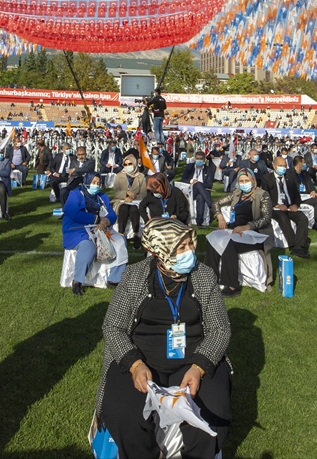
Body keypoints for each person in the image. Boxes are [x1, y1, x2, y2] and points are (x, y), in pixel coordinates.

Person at [97, 219, 231, 459]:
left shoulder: (203, 275)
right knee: (121, 413)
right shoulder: (134, 276)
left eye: (191, 244)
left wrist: (199, 368)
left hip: (193, 361)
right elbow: (113, 326)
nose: (190, 252)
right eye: (182, 247)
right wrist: (135, 365)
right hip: (141, 362)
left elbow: (220, 329)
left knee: (214, 411)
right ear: (160, 249)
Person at [205, 168, 273, 298]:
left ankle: (232, 285)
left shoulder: (262, 195)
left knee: (229, 243)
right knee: (212, 238)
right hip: (234, 230)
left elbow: (266, 218)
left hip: (254, 233)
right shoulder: (237, 193)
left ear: (252, 180)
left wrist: (247, 226)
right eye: (241, 180)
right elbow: (216, 204)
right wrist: (219, 217)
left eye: (246, 180)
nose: (244, 183)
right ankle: (210, 279)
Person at [62, 175, 122, 295]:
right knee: (88, 246)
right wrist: (97, 219)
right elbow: (73, 212)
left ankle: (114, 278)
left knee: (120, 241)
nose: (96, 185)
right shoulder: (75, 194)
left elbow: (112, 215)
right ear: (86, 182)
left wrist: (106, 221)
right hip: (77, 229)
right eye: (93, 182)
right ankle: (77, 281)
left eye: (98, 183)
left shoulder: (102, 196)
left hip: (100, 229)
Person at [266, 157, 310, 259]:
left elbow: (297, 196)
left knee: (303, 218)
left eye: (284, 166)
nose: (283, 168)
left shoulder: (289, 178)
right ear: (274, 166)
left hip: (289, 207)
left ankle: (300, 246)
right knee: (283, 218)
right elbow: (265, 196)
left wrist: (295, 204)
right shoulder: (267, 179)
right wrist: (277, 205)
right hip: (275, 208)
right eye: (280, 166)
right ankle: (293, 245)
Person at [112, 158, 148, 247]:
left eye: (130, 164)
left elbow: (143, 194)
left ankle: (136, 235)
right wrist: (126, 194)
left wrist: (133, 197)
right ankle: (121, 234)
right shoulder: (119, 176)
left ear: (134, 164)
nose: (128, 166)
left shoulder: (141, 176)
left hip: (136, 201)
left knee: (134, 209)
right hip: (121, 200)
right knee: (123, 208)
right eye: (126, 164)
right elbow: (116, 193)